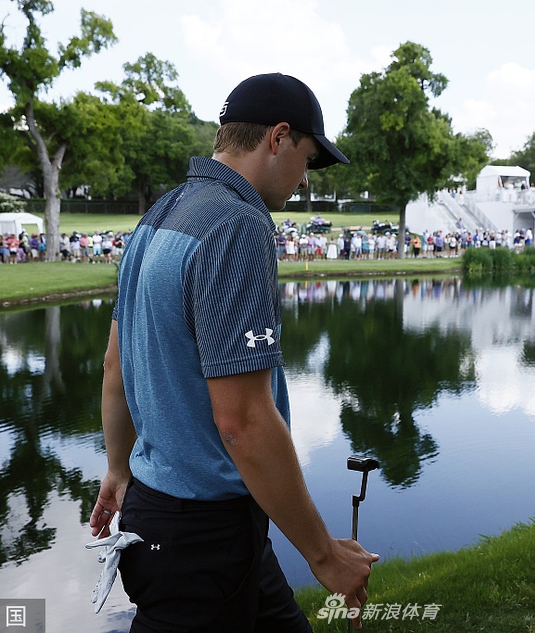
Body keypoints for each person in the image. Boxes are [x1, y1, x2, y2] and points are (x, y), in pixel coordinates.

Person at [88, 73, 378, 633]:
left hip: (161, 509)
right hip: (204, 537)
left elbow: (114, 369)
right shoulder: (239, 225)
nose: (306, 179)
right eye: (309, 159)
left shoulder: (161, 214)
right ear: (278, 138)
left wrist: (119, 468)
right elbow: (242, 421)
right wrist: (324, 556)